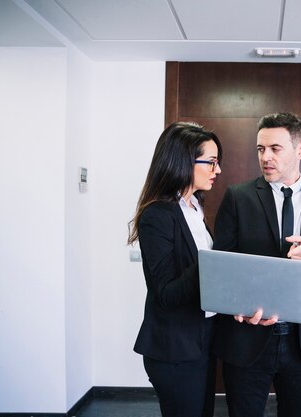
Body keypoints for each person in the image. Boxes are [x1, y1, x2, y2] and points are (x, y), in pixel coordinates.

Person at [212, 112, 301, 417]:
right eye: (261, 149)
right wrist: (236, 304)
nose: (266, 157)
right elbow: (222, 269)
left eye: (275, 149)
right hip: (247, 341)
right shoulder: (237, 197)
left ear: (299, 151)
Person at [127, 122, 222, 417]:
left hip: (203, 338)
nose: (217, 170)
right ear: (183, 161)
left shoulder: (194, 206)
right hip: (174, 349)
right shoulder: (157, 215)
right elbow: (166, 293)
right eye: (211, 162)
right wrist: (213, 261)